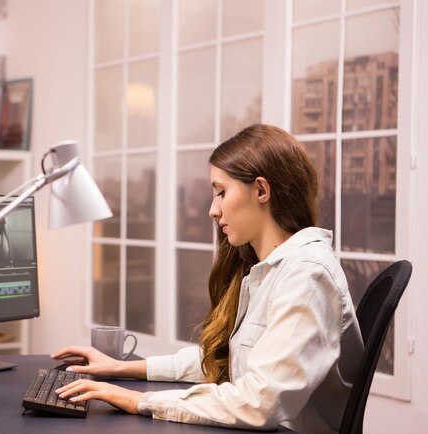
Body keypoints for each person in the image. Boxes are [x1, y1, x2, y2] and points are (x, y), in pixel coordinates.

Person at [53, 124, 364, 433]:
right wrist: (120, 368)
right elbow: (224, 358)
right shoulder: (270, 269)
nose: (213, 210)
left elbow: (259, 402)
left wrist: (139, 401)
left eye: (221, 192)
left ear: (261, 190)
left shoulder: (306, 276)